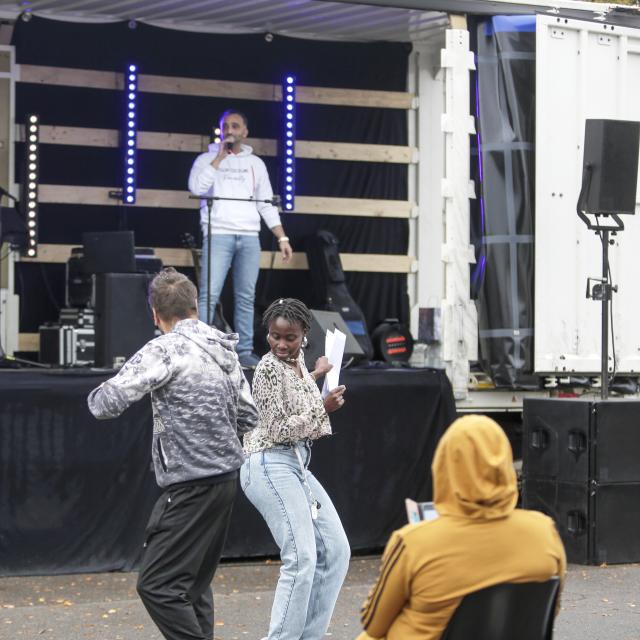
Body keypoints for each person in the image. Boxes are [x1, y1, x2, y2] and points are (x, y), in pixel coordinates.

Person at [87, 267, 258, 640]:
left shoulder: (164, 349)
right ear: (196, 305)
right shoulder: (225, 348)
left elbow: (104, 404)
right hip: (227, 479)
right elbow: (249, 415)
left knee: (157, 585)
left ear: (155, 314)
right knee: (193, 585)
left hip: (191, 485)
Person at [357, 414, 566, 640]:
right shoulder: (544, 532)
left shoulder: (413, 542)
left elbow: (373, 623)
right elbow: (547, 612)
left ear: (444, 466)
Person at [241, 298, 351, 640]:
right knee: (302, 559)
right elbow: (278, 429)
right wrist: (323, 406)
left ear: (305, 334)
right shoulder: (267, 368)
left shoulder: (297, 363)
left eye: (290, 337)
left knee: (336, 551)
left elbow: (297, 391)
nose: (281, 344)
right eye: (275, 337)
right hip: (269, 462)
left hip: (295, 465)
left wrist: (318, 372)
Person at [188, 109, 293, 368]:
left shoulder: (255, 164)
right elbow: (196, 188)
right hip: (219, 233)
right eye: (226, 126)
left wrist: (282, 237)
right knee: (208, 294)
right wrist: (219, 157)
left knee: (245, 296)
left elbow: (266, 203)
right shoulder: (206, 158)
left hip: (248, 235)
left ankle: (244, 351)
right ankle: (199, 349)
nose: (230, 130)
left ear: (245, 132)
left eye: (235, 126)